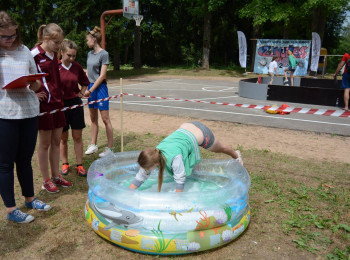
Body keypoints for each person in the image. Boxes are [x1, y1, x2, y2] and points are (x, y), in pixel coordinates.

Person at [0, 11, 51, 223]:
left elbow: (36, 83)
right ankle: (12, 210)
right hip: (5, 114)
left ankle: (30, 198)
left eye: (13, 35)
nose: (10, 39)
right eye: (4, 36)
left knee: (24, 160)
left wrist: (34, 83)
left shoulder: (24, 50)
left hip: (29, 111)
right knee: (5, 164)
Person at [129, 122, 243, 193]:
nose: (146, 170)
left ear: (156, 165)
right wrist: (126, 194)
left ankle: (236, 155)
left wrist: (178, 200)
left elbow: (180, 179)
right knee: (194, 170)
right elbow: (140, 177)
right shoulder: (153, 154)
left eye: (149, 169)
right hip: (186, 127)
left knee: (220, 148)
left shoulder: (174, 158)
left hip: (201, 133)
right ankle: (198, 174)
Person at [31, 23, 72, 193]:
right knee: (45, 143)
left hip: (58, 102)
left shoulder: (54, 54)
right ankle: (46, 180)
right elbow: (23, 77)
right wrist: (32, 93)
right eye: (56, 43)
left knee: (57, 141)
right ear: (46, 39)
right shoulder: (33, 54)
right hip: (44, 105)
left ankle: (56, 176)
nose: (59, 46)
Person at [59, 39, 90, 176]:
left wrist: (81, 92)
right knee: (63, 138)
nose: (71, 58)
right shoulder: (55, 67)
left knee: (77, 137)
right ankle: (65, 163)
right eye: (69, 55)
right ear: (62, 52)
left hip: (75, 105)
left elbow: (85, 82)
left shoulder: (77, 67)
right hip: (60, 107)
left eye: (74, 56)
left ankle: (79, 165)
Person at [84, 26, 114, 158]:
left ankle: (110, 149)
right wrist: (85, 87)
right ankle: (93, 144)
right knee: (93, 118)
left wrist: (90, 90)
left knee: (105, 119)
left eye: (87, 40)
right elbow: (87, 72)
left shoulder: (104, 54)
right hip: (90, 87)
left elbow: (102, 76)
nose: (86, 42)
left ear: (94, 39)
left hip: (100, 87)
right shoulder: (89, 54)